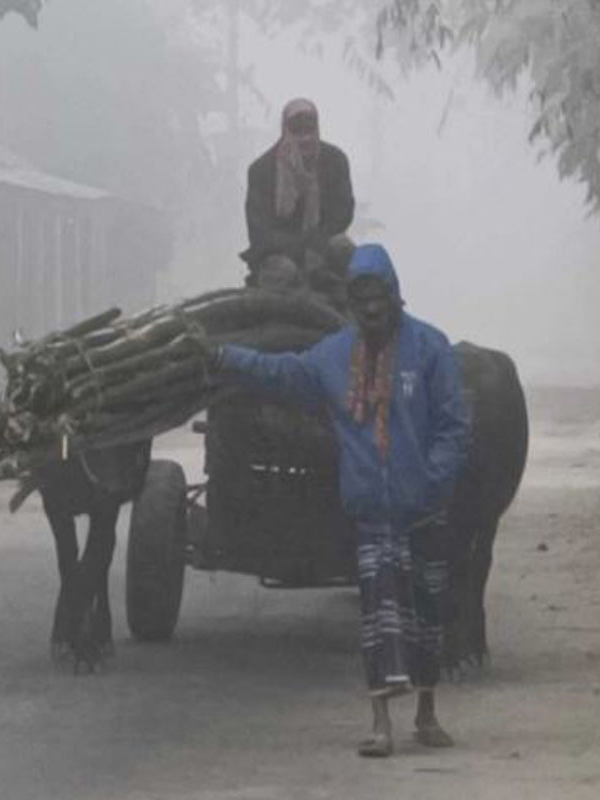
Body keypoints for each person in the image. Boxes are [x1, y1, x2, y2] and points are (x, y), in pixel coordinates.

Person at [202, 243, 471, 757]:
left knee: (427, 615)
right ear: (350, 301)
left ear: (395, 295)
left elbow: (454, 428)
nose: (371, 308)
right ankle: (380, 724)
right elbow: (279, 373)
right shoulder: (331, 356)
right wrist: (223, 357)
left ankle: (427, 713)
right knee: (377, 617)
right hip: (372, 512)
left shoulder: (431, 349)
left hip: (424, 510)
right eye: (361, 298)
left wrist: (432, 483)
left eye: (379, 297)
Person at [241, 98, 355, 300]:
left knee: (343, 249)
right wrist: (300, 250)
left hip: (323, 243)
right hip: (276, 252)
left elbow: (344, 211)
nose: (304, 138)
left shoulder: (335, 160)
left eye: (309, 129)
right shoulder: (261, 170)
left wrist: (318, 244)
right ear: (285, 130)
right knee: (283, 271)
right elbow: (259, 231)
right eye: (297, 130)